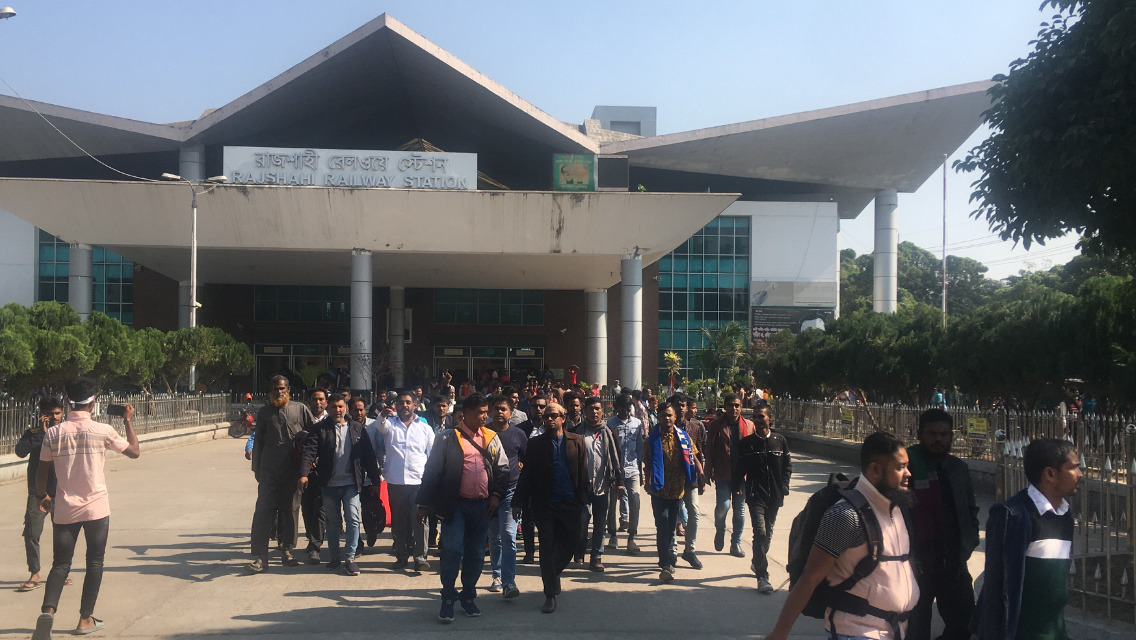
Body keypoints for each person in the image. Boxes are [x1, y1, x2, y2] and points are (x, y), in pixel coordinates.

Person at [765, 431, 918, 640]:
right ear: (875, 469)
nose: (908, 473)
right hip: (856, 631)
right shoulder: (845, 515)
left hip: (894, 630)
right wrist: (780, 632)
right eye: (900, 467)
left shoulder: (897, 509)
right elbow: (811, 577)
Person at [31, 377, 140, 640]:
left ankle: (48, 612)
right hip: (96, 509)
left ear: (69, 402)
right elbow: (134, 452)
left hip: (64, 508)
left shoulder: (53, 433)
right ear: (93, 403)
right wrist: (127, 420)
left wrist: (41, 496)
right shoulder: (103, 430)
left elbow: (42, 470)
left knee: (60, 564)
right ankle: (85, 619)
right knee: (94, 562)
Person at [971, 438, 1082, 640]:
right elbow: (996, 588)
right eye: (1073, 467)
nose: (1080, 474)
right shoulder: (1012, 516)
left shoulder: (1064, 516)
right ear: (1049, 473)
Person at [416, 394, 510, 623]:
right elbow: (432, 472)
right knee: (452, 550)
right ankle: (448, 597)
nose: (485, 416)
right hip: (455, 506)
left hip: (482, 506)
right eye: (480, 412)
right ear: (466, 413)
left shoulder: (491, 437)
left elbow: (503, 470)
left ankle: (468, 595)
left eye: (486, 412)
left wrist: (496, 496)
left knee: (476, 553)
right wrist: (423, 504)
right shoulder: (447, 438)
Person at [906, 408, 979, 640]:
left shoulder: (958, 469)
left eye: (943, 434)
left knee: (965, 626)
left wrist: (968, 543)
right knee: (915, 631)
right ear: (920, 434)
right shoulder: (907, 468)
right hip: (917, 566)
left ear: (951, 436)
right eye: (932, 434)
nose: (938, 439)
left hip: (953, 563)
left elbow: (970, 510)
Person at [513, 402, 588, 613]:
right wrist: (518, 502)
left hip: (570, 503)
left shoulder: (577, 441)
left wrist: (582, 499)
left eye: (554, 415)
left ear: (563, 418)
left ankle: (553, 572)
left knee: (571, 543)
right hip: (544, 504)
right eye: (547, 416)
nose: (549, 419)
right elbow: (526, 475)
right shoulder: (535, 444)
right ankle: (550, 594)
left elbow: (583, 472)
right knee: (546, 548)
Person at [299, 393, 383, 576]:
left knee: (353, 518)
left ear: (345, 408)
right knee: (333, 521)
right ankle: (335, 556)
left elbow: (369, 456)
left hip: (351, 483)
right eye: (333, 407)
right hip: (329, 484)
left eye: (340, 406)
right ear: (328, 408)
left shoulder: (357, 428)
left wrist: (375, 480)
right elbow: (309, 452)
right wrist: (304, 474)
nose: (337, 410)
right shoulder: (320, 429)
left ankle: (350, 558)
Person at [248, 375, 314, 573]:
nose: (279, 392)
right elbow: (258, 441)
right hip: (269, 471)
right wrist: (257, 469)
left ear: (288, 389)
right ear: (271, 390)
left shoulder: (300, 409)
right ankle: (261, 557)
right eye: (276, 388)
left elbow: (313, 437)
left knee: (290, 511)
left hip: (293, 471)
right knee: (263, 511)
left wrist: (309, 466)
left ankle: (287, 550)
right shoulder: (265, 412)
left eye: (282, 388)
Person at [377, 389, 436, 571]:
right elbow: (379, 426)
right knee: (398, 522)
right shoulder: (390, 425)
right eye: (401, 402)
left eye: (408, 402)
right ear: (396, 405)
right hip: (396, 482)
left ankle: (420, 558)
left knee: (420, 521)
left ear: (415, 405)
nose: (404, 405)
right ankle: (401, 556)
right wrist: (382, 414)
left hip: (419, 482)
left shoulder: (424, 428)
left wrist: (431, 480)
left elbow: (433, 455)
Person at [737, 403, 792, 593]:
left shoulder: (779, 440)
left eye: (761, 416)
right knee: (760, 533)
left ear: (770, 418)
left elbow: (787, 465)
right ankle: (762, 576)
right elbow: (739, 468)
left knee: (767, 534)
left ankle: (757, 560)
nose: (758, 420)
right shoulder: (746, 444)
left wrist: (784, 485)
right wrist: (737, 486)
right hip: (755, 495)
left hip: (775, 496)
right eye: (755, 417)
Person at [643, 399, 699, 584]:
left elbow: (693, 456)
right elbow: (647, 462)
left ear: (675, 417)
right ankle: (666, 564)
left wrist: (700, 474)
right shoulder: (651, 439)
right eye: (663, 415)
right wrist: (647, 480)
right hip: (659, 490)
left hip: (677, 490)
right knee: (663, 525)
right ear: (658, 418)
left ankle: (667, 558)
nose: (666, 418)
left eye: (669, 415)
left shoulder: (683, 437)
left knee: (671, 527)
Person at [16, 397, 64, 593]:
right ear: (43, 415)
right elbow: (20, 452)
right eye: (50, 414)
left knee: (62, 534)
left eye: (57, 413)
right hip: (38, 492)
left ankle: (61, 572)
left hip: (61, 490)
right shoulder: (33, 433)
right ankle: (35, 572)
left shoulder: (65, 433)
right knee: (32, 533)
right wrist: (41, 433)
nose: (54, 417)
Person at [572, 395, 625, 571]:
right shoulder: (576, 432)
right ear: (585, 411)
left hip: (603, 485)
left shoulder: (609, 432)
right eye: (591, 409)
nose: (594, 412)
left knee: (600, 524)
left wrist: (619, 481)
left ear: (602, 411)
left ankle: (596, 556)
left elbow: (617, 459)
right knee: (581, 521)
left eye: (597, 409)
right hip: (581, 486)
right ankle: (579, 548)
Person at [485, 395, 528, 597]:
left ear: (511, 413)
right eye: (496, 408)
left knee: (509, 535)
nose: (499, 412)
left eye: (503, 409)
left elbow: (526, 460)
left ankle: (509, 582)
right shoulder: (483, 433)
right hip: (487, 492)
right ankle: (497, 575)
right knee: (494, 537)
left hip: (510, 491)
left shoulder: (519, 434)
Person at [704, 392, 752, 557]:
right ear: (725, 407)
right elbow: (709, 449)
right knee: (723, 507)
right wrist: (707, 470)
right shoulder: (716, 425)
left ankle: (735, 544)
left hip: (742, 476)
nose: (734, 408)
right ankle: (720, 529)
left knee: (740, 510)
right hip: (723, 473)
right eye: (731, 405)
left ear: (741, 407)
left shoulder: (748, 426)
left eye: (737, 405)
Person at [607, 393, 643, 555]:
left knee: (635, 500)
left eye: (628, 408)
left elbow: (640, 448)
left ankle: (631, 537)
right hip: (615, 470)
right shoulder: (610, 424)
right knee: (611, 504)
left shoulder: (637, 423)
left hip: (633, 468)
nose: (625, 412)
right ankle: (613, 535)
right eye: (622, 408)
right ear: (616, 408)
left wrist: (641, 471)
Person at [673, 393, 706, 567]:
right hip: (671, 479)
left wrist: (701, 474)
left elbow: (698, 451)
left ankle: (690, 550)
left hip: (690, 476)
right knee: (672, 515)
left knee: (694, 511)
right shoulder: (665, 427)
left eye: (683, 405)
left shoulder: (694, 427)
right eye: (677, 405)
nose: (680, 408)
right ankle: (671, 552)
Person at [350, 396, 385, 554]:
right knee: (352, 513)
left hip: (371, 475)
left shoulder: (374, 426)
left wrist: (381, 470)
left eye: (361, 409)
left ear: (365, 410)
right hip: (352, 475)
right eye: (355, 410)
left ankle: (372, 530)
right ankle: (357, 544)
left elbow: (380, 450)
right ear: (350, 411)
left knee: (370, 508)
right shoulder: (347, 426)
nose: (358, 413)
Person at [300, 388, 329, 564]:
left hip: (325, 473)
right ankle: (311, 538)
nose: (317, 403)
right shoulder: (302, 420)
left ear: (326, 402)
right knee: (307, 508)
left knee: (321, 510)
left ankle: (315, 546)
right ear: (309, 402)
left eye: (321, 399)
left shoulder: (333, 419)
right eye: (314, 399)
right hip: (305, 472)